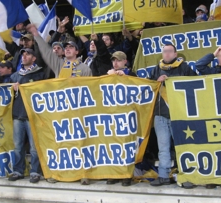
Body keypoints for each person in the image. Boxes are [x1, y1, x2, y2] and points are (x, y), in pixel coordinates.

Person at [27, 23, 92, 185]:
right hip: (61, 112)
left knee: (80, 143)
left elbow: (91, 90)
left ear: (77, 51)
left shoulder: (85, 68)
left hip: (78, 112)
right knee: (59, 143)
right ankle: (56, 173)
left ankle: (84, 174)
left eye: (71, 47)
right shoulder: (59, 65)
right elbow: (47, 53)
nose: (68, 49)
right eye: (66, 47)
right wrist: (36, 34)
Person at [149, 44, 198, 187]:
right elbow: (147, 87)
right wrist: (156, 82)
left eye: (170, 51)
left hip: (180, 114)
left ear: (176, 54)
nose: (167, 54)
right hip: (160, 114)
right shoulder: (156, 69)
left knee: (182, 146)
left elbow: (195, 83)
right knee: (163, 147)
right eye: (165, 51)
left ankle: (185, 175)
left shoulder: (185, 67)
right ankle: (163, 175)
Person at [9, 48, 47, 183]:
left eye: (28, 54)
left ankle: (35, 171)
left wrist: (23, 86)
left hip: (33, 115)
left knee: (34, 147)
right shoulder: (14, 76)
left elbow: (42, 92)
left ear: (34, 58)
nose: (24, 56)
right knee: (18, 146)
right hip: (17, 114)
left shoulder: (40, 74)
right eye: (23, 54)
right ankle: (18, 170)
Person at [105, 51, 136, 187]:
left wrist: (126, 78)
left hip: (127, 115)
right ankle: (114, 173)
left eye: (118, 60)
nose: (115, 63)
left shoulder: (132, 74)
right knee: (113, 146)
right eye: (114, 60)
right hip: (112, 115)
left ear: (125, 61)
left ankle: (126, 174)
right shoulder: (109, 74)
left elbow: (140, 87)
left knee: (126, 145)